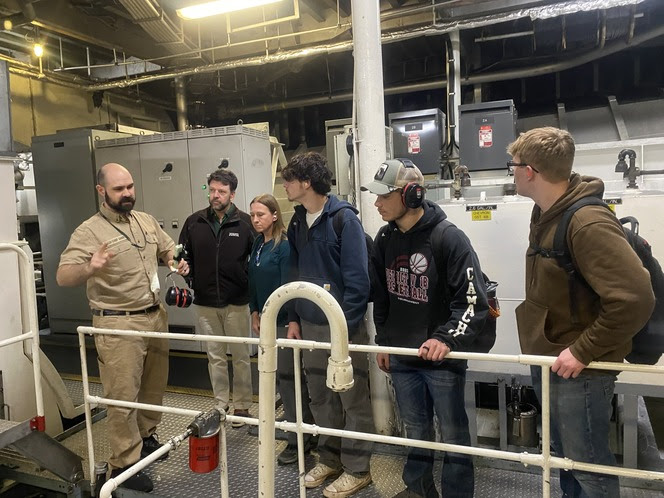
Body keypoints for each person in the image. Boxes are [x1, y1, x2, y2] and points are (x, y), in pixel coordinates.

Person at [508, 127, 655, 498]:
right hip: (553, 357)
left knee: (588, 466)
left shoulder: (586, 221)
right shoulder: (545, 213)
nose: (511, 172)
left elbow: (636, 297)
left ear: (530, 171)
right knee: (566, 460)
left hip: (579, 369)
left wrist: (582, 350)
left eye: (513, 166)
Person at [57, 162, 189, 493]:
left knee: (153, 388)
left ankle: (144, 439)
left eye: (130, 186)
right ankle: (124, 463)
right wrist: (91, 266)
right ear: (102, 191)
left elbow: (167, 247)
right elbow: (63, 276)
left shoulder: (144, 220)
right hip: (118, 325)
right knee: (122, 397)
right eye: (119, 189)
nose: (128, 193)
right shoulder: (88, 232)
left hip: (154, 317)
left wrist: (175, 259)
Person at [363, 158, 489, 498]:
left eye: (383, 196)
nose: (376, 204)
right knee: (415, 430)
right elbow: (383, 298)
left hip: (441, 361)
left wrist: (445, 339)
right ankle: (418, 490)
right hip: (403, 357)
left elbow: (472, 302)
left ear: (412, 195)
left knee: (452, 434)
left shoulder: (448, 238)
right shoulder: (385, 238)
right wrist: (384, 342)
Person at [283, 151, 375, 498]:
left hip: (343, 329)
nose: (285, 185)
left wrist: (343, 330)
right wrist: (293, 318)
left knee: (352, 400)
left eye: (289, 179)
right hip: (308, 327)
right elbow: (293, 276)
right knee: (320, 398)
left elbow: (358, 283)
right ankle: (330, 459)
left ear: (306, 183)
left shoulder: (343, 221)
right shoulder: (296, 222)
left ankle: (357, 469)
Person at [179, 168, 255, 427]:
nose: (215, 195)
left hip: (237, 301)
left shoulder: (245, 223)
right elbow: (183, 254)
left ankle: (243, 406)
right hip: (205, 301)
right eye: (211, 190)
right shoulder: (194, 222)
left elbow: (256, 259)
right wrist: (187, 274)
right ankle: (221, 404)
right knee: (215, 357)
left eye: (221, 192)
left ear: (232, 194)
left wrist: (247, 283)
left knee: (241, 356)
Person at [248, 193, 315, 465]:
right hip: (265, 321)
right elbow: (252, 280)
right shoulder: (257, 245)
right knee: (278, 379)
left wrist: (290, 321)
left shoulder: (283, 246)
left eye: (261, 214)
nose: (255, 220)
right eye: (252, 215)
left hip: (282, 323)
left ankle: (300, 439)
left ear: (275, 215)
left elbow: (288, 287)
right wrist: (254, 310)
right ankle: (296, 430)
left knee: (289, 379)